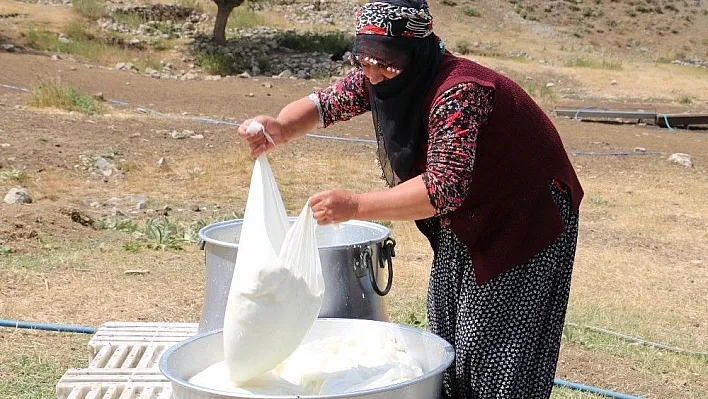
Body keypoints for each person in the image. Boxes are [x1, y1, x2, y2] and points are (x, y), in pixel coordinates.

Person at [237, 1, 584, 397]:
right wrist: (280, 126)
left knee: (495, 347)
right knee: (451, 335)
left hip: (526, 216)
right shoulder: (382, 71)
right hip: (469, 214)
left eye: (387, 63)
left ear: (417, 51)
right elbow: (325, 104)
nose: (376, 73)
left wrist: (355, 206)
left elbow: (443, 187)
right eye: (366, 61)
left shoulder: (458, 91)